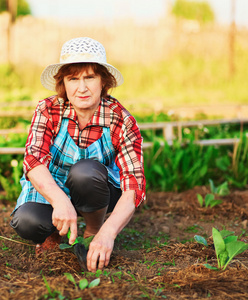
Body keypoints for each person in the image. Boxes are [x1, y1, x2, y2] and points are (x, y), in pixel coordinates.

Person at [10, 37, 146, 272]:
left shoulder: (120, 120)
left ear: (103, 81)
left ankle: (92, 231)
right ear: (63, 83)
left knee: (85, 172)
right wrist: (60, 201)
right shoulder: (48, 110)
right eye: (73, 79)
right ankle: (54, 232)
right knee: (27, 221)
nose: (82, 88)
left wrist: (108, 233)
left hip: (96, 191)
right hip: (54, 188)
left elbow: (134, 187)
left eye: (90, 77)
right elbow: (33, 161)